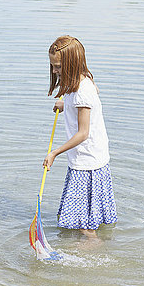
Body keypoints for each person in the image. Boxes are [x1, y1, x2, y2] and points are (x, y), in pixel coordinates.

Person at [42, 36, 117, 241]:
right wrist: (65, 105)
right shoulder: (80, 83)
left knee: (84, 225)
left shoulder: (83, 90)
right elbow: (84, 107)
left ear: (71, 64)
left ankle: (91, 249)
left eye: (58, 66)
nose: (55, 71)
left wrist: (54, 153)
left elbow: (83, 133)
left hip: (87, 161)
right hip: (88, 158)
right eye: (52, 66)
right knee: (80, 218)